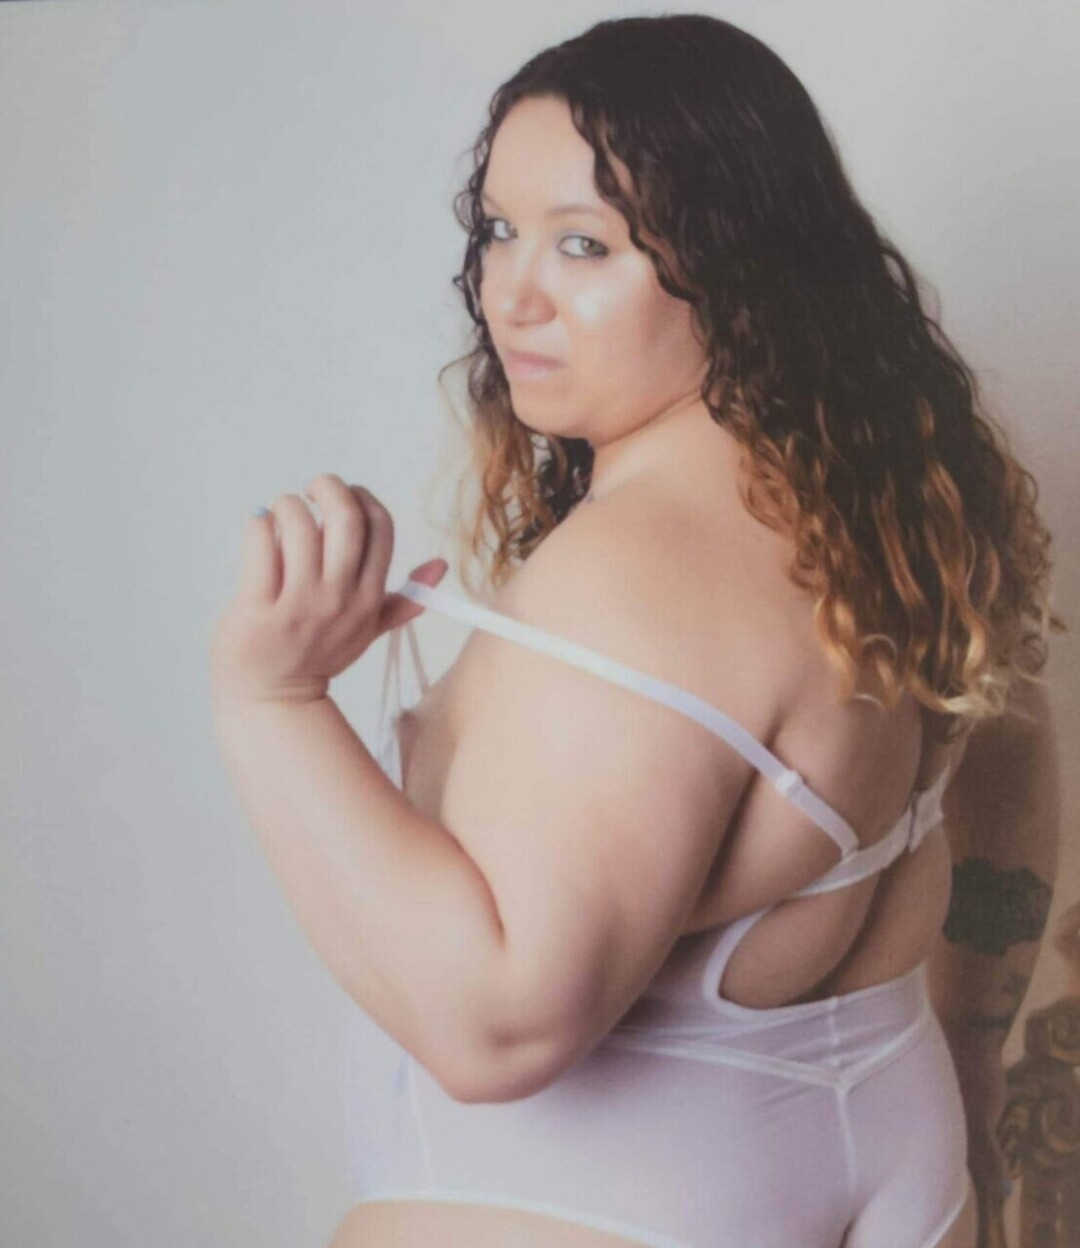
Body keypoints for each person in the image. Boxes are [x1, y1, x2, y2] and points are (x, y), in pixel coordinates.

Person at [209, 14, 1062, 1248]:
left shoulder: (632, 576)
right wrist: (975, 1065)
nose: (512, 294)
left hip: (602, 1205)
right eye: (497, 230)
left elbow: (500, 1027)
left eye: (584, 246)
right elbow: (1011, 759)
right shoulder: (887, 524)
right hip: (890, 1152)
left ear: (735, 267)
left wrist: (270, 702)